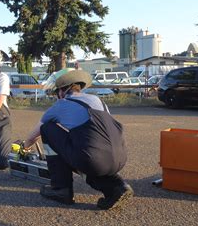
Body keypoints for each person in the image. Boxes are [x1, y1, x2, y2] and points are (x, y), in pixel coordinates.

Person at [23, 68, 133, 210]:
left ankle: (60, 189)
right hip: (119, 158)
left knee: (48, 129)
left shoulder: (61, 105)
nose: (56, 96)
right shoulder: (96, 100)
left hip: (92, 159)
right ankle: (117, 187)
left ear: (63, 90)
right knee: (86, 152)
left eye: (56, 92)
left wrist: (24, 147)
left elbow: (34, 136)